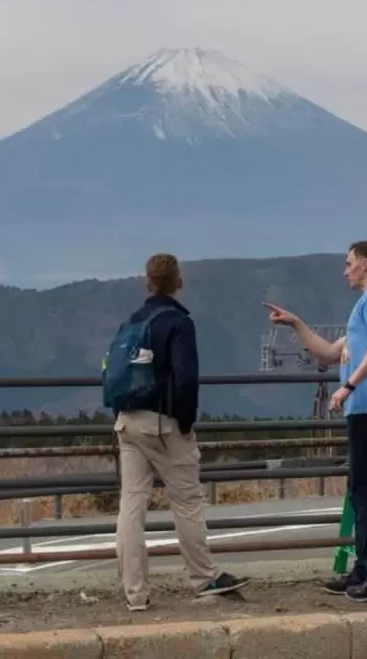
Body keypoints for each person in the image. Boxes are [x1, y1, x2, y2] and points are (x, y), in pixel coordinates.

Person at [109, 253, 250, 611]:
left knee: (131, 504)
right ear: (178, 282)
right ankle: (203, 578)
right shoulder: (178, 323)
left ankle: (134, 593)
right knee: (186, 502)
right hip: (163, 424)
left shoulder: (131, 322)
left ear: (147, 281)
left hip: (127, 420)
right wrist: (185, 423)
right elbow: (186, 379)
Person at [265, 239, 367, 604]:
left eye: (349, 263)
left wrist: (350, 385)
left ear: (366, 264)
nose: (345, 270)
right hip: (364, 407)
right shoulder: (364, 308)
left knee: (365, 491)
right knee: (360, 489)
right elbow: (328, 353)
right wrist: (295, 324)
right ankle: (365, 568)